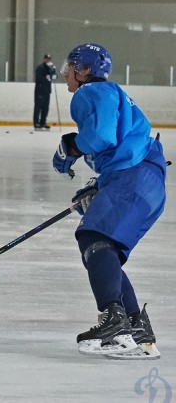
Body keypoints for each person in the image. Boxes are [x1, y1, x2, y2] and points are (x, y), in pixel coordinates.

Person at [52, 43, 167, 360]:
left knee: (94, 237)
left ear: (85, 70)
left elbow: (101, 138)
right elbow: (120, 144)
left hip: (134, 177)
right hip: (144, 180)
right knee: (106, 247)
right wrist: (102, 183)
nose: (66, 74)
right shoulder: (114, 94)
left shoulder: (91, 93)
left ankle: (114, 322)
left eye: (71, 66)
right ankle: (136, 330)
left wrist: (69, 147)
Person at [33, 53, 57, 130]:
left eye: (49, 59)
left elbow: (54, 76)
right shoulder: (40, 68)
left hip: (47, 91)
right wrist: (46, 78)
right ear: (44, 59)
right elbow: (39, 78)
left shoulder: (50, 68)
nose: (47, 60)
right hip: (40, 90)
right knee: (38, 107)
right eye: (46, 59)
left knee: (45, 108)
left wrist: (54, 75)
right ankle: (36, 123)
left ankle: (43, 122)